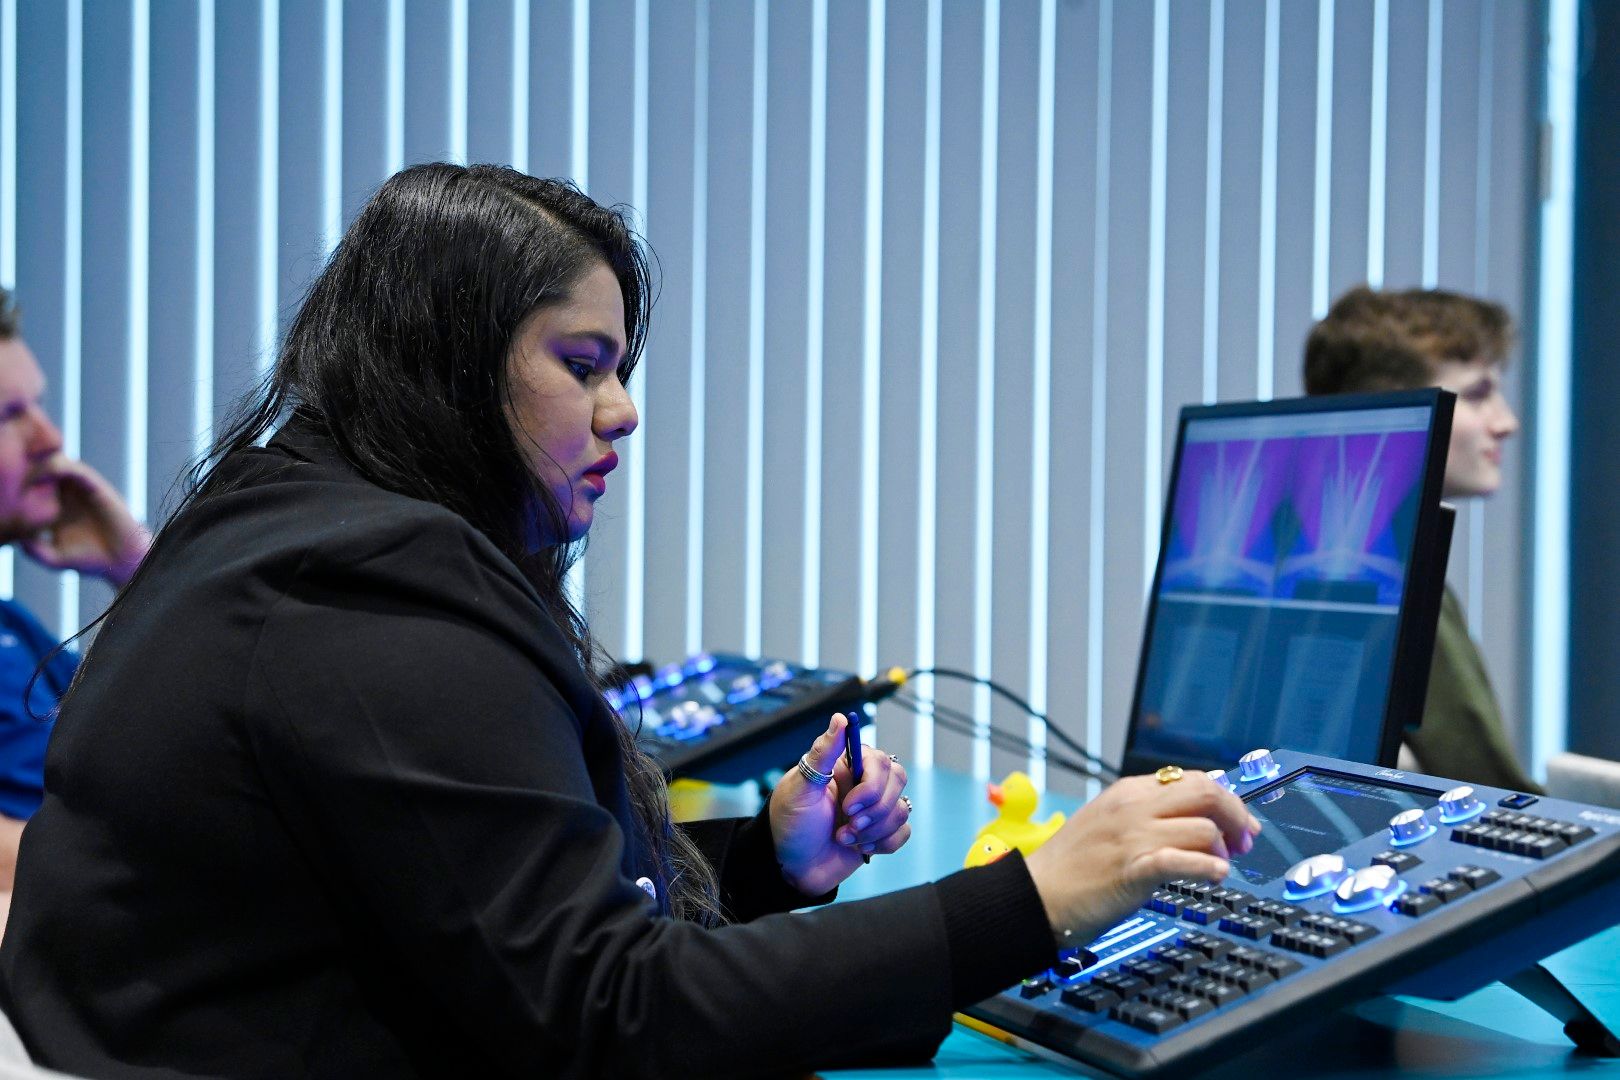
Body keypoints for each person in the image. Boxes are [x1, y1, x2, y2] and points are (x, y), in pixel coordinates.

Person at [0, 165, 1257, 1078]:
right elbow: (611, 1016)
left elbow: (486, 911)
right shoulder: (365, 603)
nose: (623, 411)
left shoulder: (301, 524)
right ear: (447, 364)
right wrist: (1036, 897)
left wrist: (770, 865)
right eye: (583, 364)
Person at [1304, 285, 1538, 793]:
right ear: (1399, 406)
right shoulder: (1395, 575)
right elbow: (1485, 789)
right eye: (1479, 394)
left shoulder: (1313, 553)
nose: (1507, 423)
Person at [0, 289, 150, 938]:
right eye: (10, 414)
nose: (50, 438)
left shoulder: (12, 628)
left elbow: (149, 733)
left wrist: (133, 566)